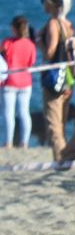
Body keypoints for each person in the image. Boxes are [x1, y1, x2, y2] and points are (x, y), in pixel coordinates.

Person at [37, 0, 75, 160]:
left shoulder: (53, 23)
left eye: (44, 1)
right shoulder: (68, 24)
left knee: (53, 124)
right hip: (68, 78)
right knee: (62, 123)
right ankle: (65, 155)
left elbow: (50, 53)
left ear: (50, 3)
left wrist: (38, 43)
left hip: (54, 78)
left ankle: (60, 159)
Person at [3, 15, 36, 147]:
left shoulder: (7, 42)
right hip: (26, 81)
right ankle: (24, 142)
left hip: (10, 80)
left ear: (14, 28)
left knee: (8, 113)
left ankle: (8, 141)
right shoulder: (31, 45)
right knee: (24, 113)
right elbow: (31, 62)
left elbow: (2, 59)